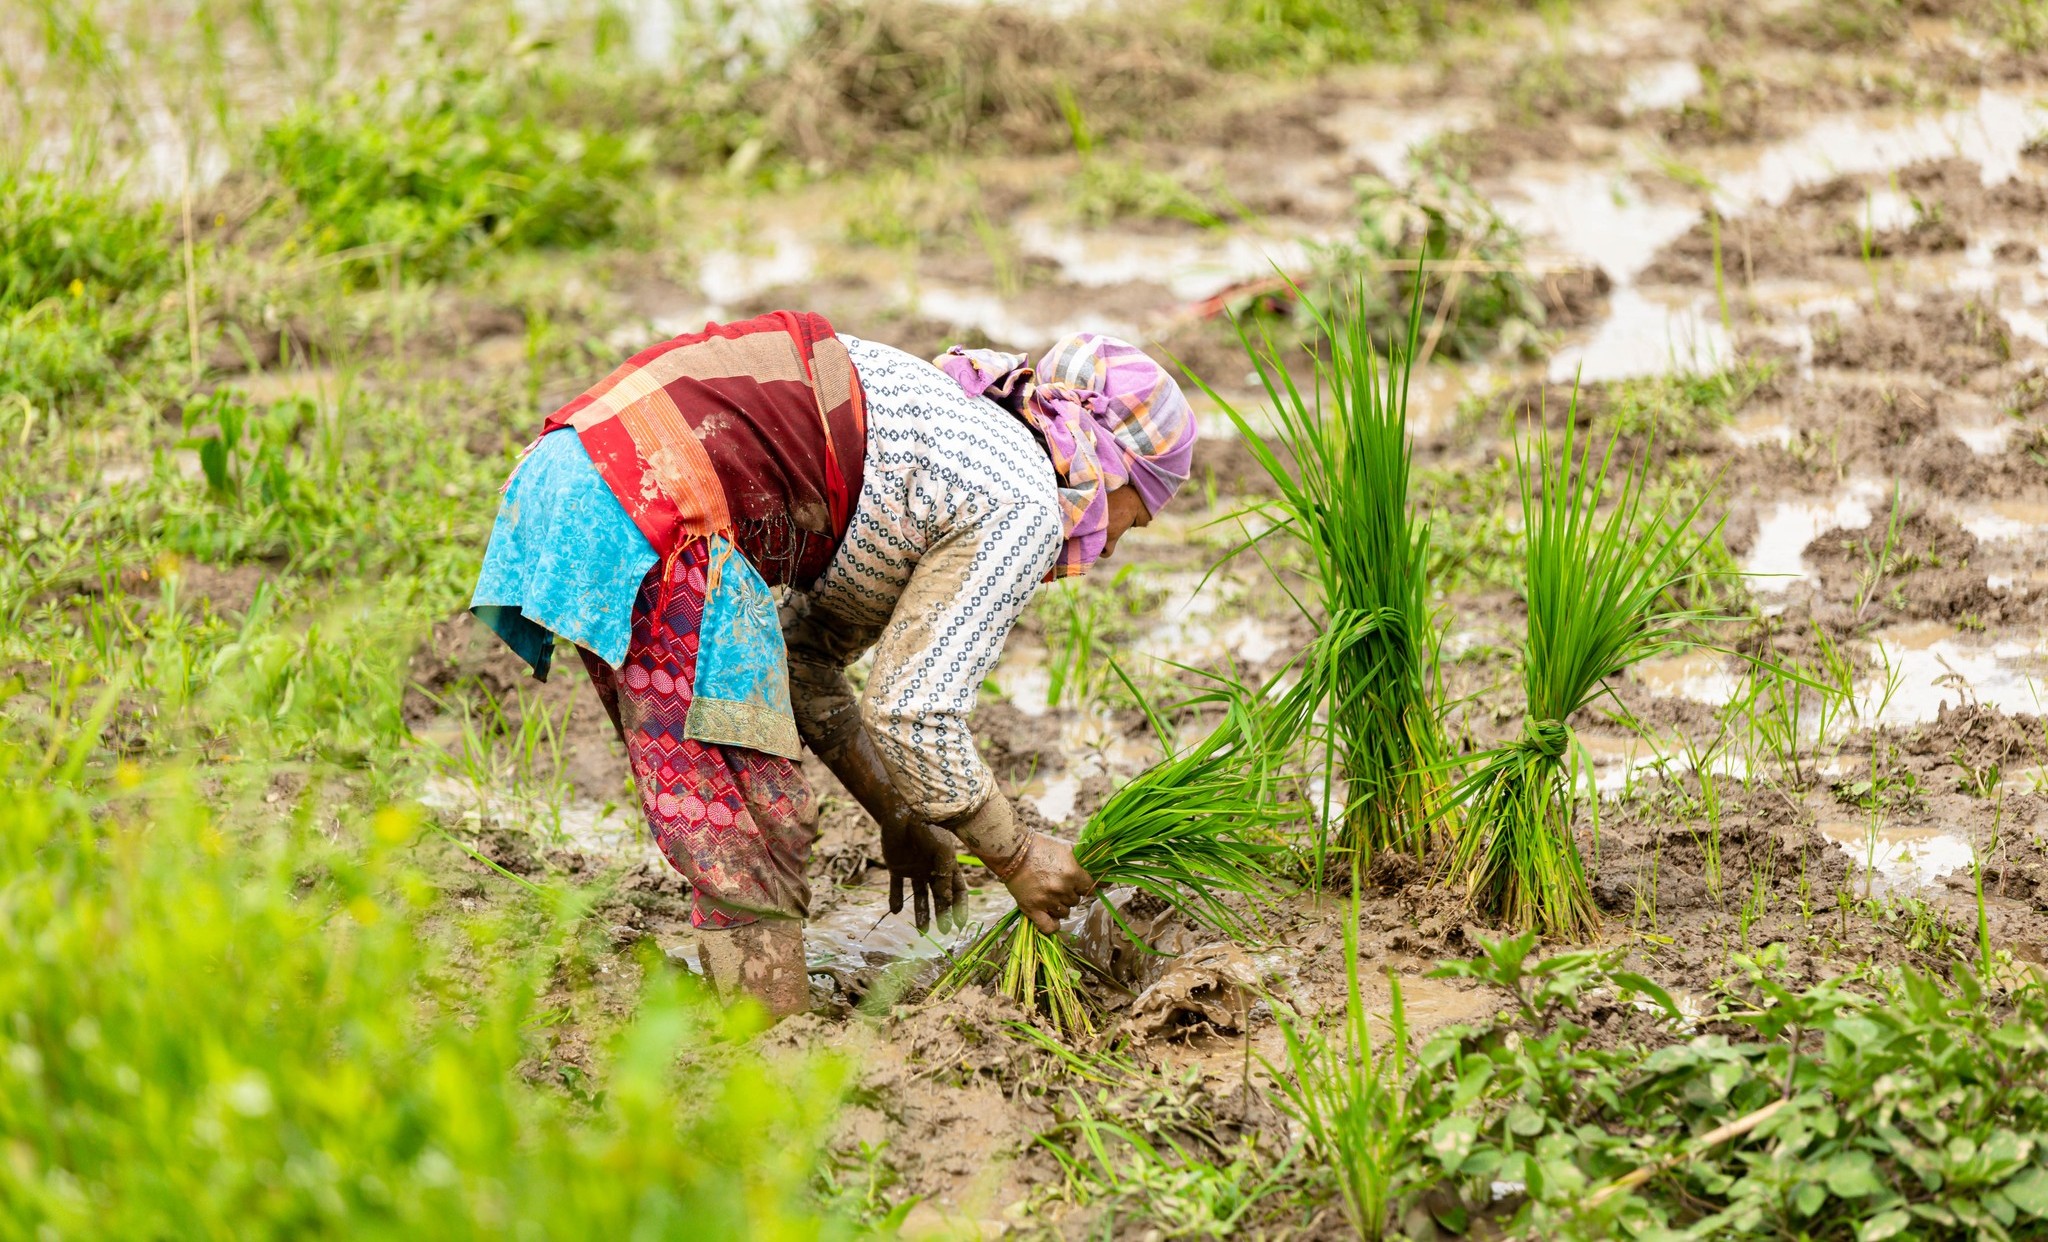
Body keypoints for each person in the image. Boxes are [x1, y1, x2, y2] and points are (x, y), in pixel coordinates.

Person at [469, 311, 1197, 1016]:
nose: (1117, 540)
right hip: (654, 501)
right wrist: (1017, 853)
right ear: (1113, 472)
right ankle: (772, 1059)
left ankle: (752, 1038)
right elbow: (914, 712)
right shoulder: (1023, 497)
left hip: (579, 473)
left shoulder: (953, 442)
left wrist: (901, 812)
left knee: (736, 806)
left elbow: (803, 660)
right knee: (752, 819)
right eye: (1137, 516)